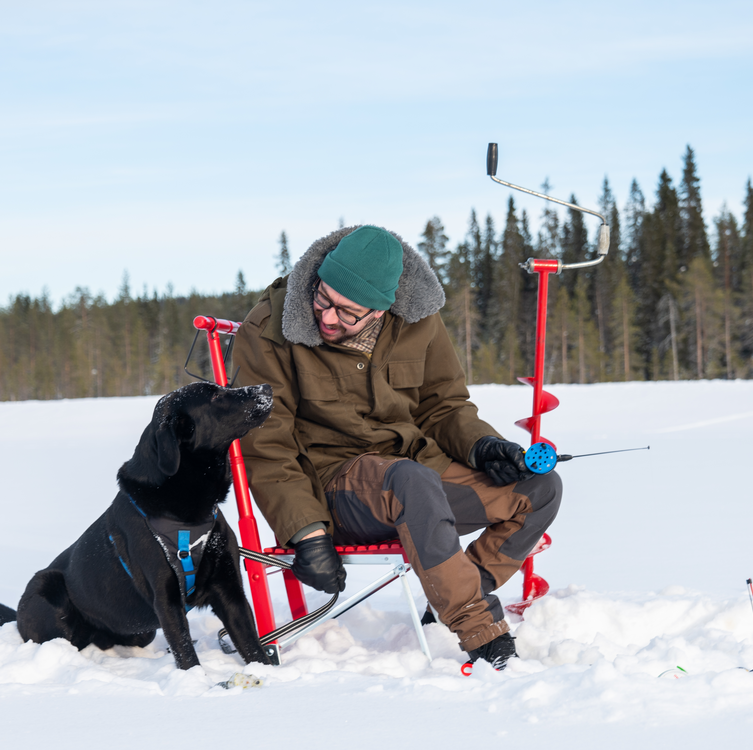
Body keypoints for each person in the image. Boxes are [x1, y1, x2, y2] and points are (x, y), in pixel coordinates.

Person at [230, 224, 562, 669]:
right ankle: (483, 634)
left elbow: (443, 405)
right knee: (412, 481)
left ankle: (458, 591)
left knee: (540, 489)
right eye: (323, 299)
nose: (328, 318)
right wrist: (305, 530)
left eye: (348, 313)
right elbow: (267, 444)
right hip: (335, 488)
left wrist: (483, 446)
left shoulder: (419, 319)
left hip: (416, 472)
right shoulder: (270, 328)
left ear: (383, 309)